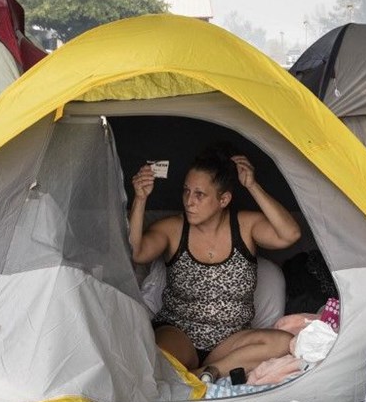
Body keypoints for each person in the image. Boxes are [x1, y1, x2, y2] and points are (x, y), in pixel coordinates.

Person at [129, 144, 301, 382]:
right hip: (180, 334)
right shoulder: (173, 228)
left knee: (284, 343)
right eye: (186, 191)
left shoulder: (245, 226)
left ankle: (207, 373)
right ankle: (209, 374)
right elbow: (136, 253)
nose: (189, 202)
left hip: (230, 341)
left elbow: (289, 234)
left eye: (199, 195)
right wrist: (140, 199)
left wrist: (253, 186)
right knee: (152, 360)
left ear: (224, 199)